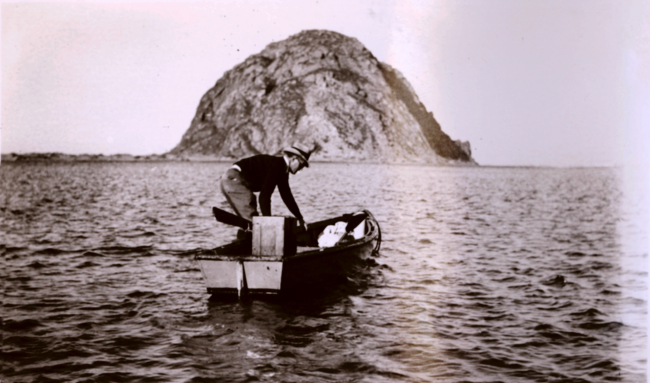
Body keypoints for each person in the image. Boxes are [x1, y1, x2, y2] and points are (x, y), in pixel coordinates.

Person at [220, 143, 315, 231]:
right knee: (252, 218)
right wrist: (268, 222)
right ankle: (254, 237)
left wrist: (300, 218)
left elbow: (287, 196)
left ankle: (249, 235)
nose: (300, 170)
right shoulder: (278, 166)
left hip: (230, 179)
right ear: (294, 159)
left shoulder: (281, 168)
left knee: (251, 221)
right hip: (234, 179)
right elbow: (264, 197)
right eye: (301, 165)